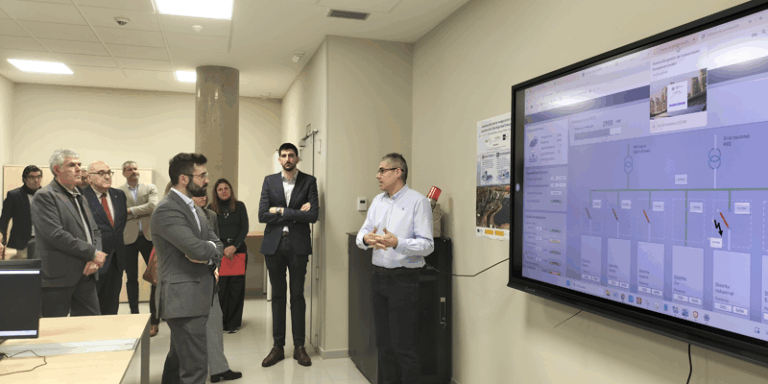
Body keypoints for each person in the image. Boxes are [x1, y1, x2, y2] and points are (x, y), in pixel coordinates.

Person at [355, 153, 434, 384]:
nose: (377, 175)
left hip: (404, 280)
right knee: (383, 344)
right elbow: (362, 232)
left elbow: (427, 245)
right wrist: (367, 239)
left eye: (382, 170)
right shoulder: (378, 201)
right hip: (378, 278)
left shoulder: (417, 202)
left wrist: (397, 242)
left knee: (403, 346)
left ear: (398, 172)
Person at [152, 153, 223, 384]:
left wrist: (208, 252)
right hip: (183, 300)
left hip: (195, 298)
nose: (207, 180)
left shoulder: (196, 209)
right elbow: (197, 250)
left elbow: (217, 245)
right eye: (202, 175)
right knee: (195, 369)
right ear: (184, 179)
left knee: (179, 359)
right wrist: (206, 251)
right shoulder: (167, 209)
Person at [259, 142, 319, 368]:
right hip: (273, 246)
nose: (287, 159)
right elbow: (262, 214)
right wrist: (295, 213)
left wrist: (281, 211)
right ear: (279, 159)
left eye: (291, 155)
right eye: (283, 155)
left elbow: (313, 215)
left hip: (298, 246)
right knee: (278, 297)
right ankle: (277, 347)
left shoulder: (309, 181)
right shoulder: (269, 181)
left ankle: (299, 347)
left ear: (297, 158)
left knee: (297, 296)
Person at [31, 149, 108, 317]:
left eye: (79, 165)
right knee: (55, 331)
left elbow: (95, 230)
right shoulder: (45, 196)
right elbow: (56, 235)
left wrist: (95, 257)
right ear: (57, 170)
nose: (79, 169)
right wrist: (93, 253)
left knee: (91, 326)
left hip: (86, 273)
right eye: (72, 165)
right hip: (58, 278)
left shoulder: (79, 195)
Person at [194, 194, 242, 383]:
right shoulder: (179, 215)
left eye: (205, 193)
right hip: (188, 280)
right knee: (189, 334)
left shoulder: (210, 215)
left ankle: (218, 369)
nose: (203, 197)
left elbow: (217, 244)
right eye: (198, 194)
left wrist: (215, 266)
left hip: (209, 275)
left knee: (215, 322)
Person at [82, 161, 127, 315]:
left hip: (116, 259)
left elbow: (120, 226)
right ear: (89, 178)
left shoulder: (119, 195)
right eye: (101, 173)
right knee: (92, 309)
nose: (107, 176)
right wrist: (90, 254)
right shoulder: (82, 197)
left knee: (112, 306)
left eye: (109, 172)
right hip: (94, 260)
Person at [118, 161, 159, 318]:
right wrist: (142, 210)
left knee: (155, 276)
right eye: (129, 169)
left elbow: (153, 206)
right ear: (124, 173)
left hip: (148, 237)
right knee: (131, 278)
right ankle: (134, 313)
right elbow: (119, 213)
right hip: (128, 239)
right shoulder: (118, 191)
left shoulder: (150, 188)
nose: (133, 171)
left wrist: (130, 211)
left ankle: (154, 313)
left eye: (135, 168)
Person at [209, 178, 249, 333]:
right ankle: (220, 322)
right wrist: (222, 248)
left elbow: (244, 228)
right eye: (220, 189)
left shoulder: (239, 206)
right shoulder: (211, 208)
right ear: (216, 192)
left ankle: (233, 323)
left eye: (226, 188)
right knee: (221, 288)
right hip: (219, 253)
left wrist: (234, 246)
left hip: (237, 251)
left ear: (231, 190)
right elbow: (209, 231)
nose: (223, 191)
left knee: (236, 288)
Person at [0, 165, 43, 260]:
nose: (36, 180)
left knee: (43, 267)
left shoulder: (47, 195)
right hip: (23, 241)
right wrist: (2, 243)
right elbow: (4, 220)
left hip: (43, 241)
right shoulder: (13, 195)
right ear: (25, 179)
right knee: (25, 267)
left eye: (38, 177)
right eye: (32, 177)